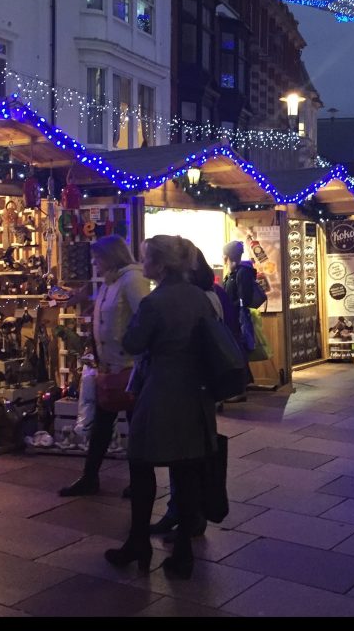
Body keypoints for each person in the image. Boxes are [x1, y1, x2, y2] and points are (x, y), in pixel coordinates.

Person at [104, 235, 217, 580]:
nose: (143, 265)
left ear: (162, 265)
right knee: (185, 471)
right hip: (194, 395)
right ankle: (183, 550)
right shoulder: (200, 298)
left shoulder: (155, 302)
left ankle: (138, 543)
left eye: (147, 259)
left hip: (160, 393)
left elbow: (134, 342)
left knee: (141, 466)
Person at [150, 248, 234, 542]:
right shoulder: (207, 295)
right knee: (187, 453)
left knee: (189, 455)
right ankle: (181, 513)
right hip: (199, 388)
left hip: (193, 388)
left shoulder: (197, 298)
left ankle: (190, 517)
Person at [59, 236, 148, 498]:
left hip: (129, 367)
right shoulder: (112, 282)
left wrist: (133, 350)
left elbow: (143, 318)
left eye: (97, 258)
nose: (94, 264)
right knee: (102, 425)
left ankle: (138, 481)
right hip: (109, 367)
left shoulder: (132, 280)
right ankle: (90, 477)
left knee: (135, 427)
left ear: (110, 257)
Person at [221, 240, 257, 401]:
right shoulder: (233, 272)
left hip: (237, 318)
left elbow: (244, 299)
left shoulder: (241, 273)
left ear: (227, 256)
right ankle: (243, 385)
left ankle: (240, 389)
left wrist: (230, 305)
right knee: (238, 351)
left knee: (238, 351)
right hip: (233, 318)